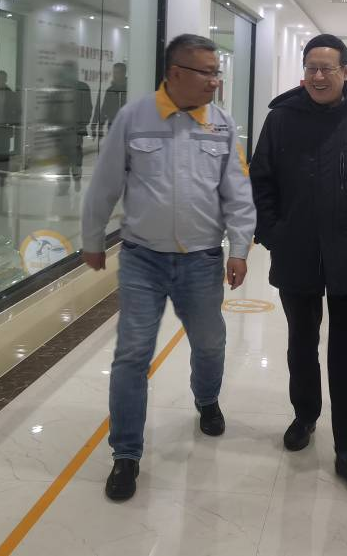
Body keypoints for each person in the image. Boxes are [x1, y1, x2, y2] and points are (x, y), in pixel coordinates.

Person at [81, 34, 256, 502]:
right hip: (143, 258)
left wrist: (240, 247)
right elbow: (105, 182)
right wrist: (92, 239)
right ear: (176, 72)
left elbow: (237, 191)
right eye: (207, 73)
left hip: (202, 258)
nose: (215, 82)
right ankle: (126, 454)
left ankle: (206, 399)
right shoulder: (133, 117)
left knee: (210, 343)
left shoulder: (221, 124)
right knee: (132, 354)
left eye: (217, 73)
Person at [250, 33, 347, 486]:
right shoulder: (281, 118)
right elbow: (261, 180)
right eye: (311, 68)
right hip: (297, 252)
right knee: (301, 342)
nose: (318, 76)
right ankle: (305, 415)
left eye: (327, 69)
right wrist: (273, 233)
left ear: (345, 72)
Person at [54, 61, 93, 193]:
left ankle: (77, 178)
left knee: (76, 155)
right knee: (62, 158)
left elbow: (88, 108)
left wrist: (82, 124)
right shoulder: (58, 88)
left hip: (76, 129)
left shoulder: (83, 87)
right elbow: (52, 109)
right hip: (61, 130)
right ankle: (63, 186)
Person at [94, 62, 129, 135]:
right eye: (114, 72)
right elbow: (104, 109)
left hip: (126, 127)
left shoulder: (129, 89)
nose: (114, 75)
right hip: (112, 127)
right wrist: (100, 126)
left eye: (117, 72)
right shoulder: (110, 90)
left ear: (124, 73)